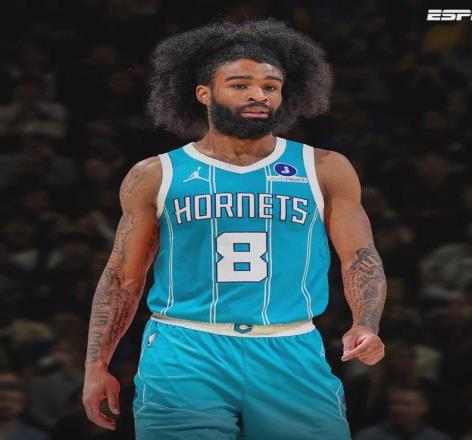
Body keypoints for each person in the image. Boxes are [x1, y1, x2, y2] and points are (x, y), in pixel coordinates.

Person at [82, 18, 386, 440]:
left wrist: (365, 323)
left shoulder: (324, 167)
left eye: (271, 86)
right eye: (240, 85)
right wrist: (96, 365)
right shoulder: (154, 175)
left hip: (290, 345)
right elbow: (122, 277)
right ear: (204, 93)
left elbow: (359, 257)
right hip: (185, 349)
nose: (259, 94)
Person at [354, 384, 451, 440]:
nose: (398, 408)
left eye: (407, 404)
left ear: (424, 407)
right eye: (394, 403)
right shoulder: (368, 437)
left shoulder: (438, 438)